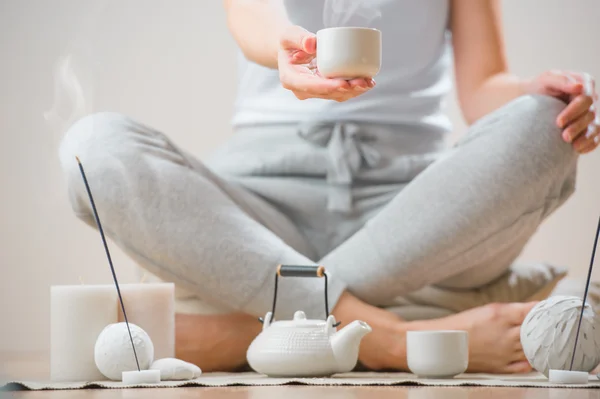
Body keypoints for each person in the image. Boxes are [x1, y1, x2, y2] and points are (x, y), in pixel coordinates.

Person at [59, 0, 598, 374]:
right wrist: (284, 51)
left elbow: (482, 88)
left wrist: (536, 94)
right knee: (94, 149)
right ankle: (395, 334)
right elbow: (251, 14)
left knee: (543, 124)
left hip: (414, 218)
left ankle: (263, 324)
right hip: (260, 210)